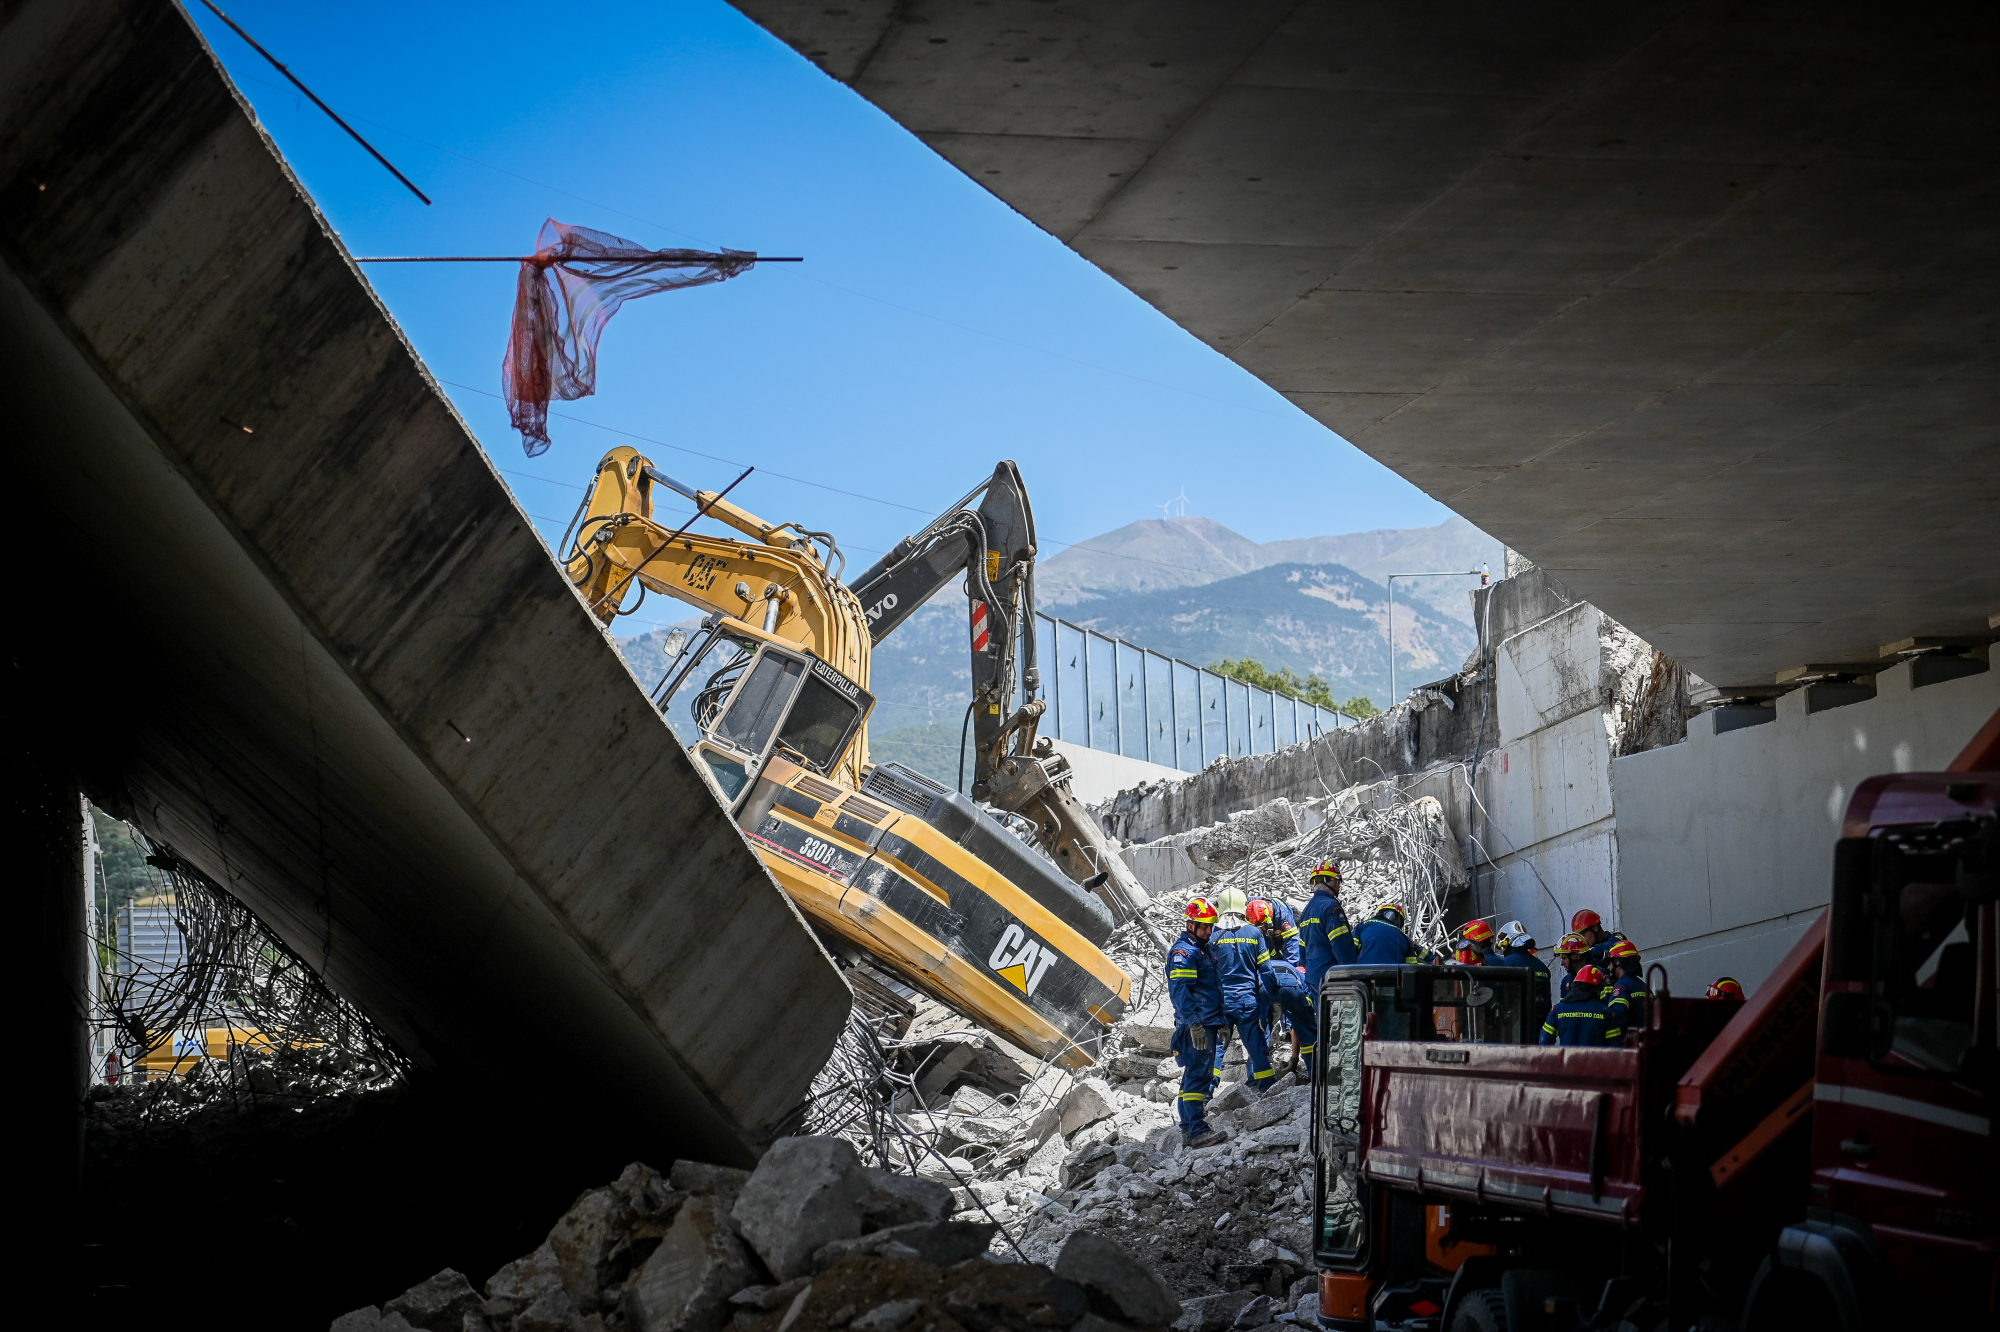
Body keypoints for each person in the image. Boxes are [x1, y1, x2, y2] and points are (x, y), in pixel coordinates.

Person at [1167, 898, 1228, 1147]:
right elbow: (1180, 991)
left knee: (1194, 1075)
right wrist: (1194, 1024)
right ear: (1190, 925)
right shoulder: (1185, 952)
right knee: (1199, 1077)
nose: (1209, 931)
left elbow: (1212, 987)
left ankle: (1187, 1128)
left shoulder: (1203, 949)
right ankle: (1197, 1130)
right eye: (1203, 926)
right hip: (1198, 1024)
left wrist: (1221, 1020)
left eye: (1211, 926)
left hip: (1208, 1020)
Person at [1209, 888, 1278, 1094]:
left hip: (1221, 1002)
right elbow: (1266, 970)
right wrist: (1273, 996)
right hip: (1247, 1001)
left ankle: (1206, 1092)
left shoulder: (1212, 936)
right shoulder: (1255, 933)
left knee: (1218, 1048)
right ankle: (1267, 1088)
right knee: (1256, 1045)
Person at [1251, 901, 1317, 1077]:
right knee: (1306, 1027)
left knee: (1258, 1029)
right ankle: (1314, 1074)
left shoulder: (1282, 915)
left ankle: (1257, 1079)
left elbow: (1292, 945)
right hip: (1287, 978)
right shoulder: (1304, 976)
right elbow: (1300, 1023)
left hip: (1263, 978)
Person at [1299, 859, 1358, 986]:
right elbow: (1342, 947)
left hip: (1313, 979)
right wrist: (1353, 975)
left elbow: (1302, 951)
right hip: (1332, 980)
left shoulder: (1306, 911)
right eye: (1338, 882)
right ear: (1335, 882)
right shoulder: (1331, 908)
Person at [1539, 965, 1625, 1046]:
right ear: (1598, 989)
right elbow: (1615, 1046)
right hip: (1596, 1061)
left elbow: (1544, 1041)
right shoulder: (1606, 1012)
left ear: (1575, 985)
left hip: (1567, 1061)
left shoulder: (1557, 1009)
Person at [1246, 897, 1303, 969]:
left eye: (1262, 927)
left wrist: (1289, 968)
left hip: (1282, 933)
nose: (1261, 929)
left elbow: (1292, 941)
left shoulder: (1283, 914)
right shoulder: (1248, 909)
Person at [1354, 904, 1421, 964]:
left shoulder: (1363, 926)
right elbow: (1411, 966)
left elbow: (1349, 948)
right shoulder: (1403, 937)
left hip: (1364, 973)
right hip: (1393, 976)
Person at [1605, 940, 1649, 1026]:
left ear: (1617, 962)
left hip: (1630, 1038)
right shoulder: (1644, 987)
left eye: (1610, 963)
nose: (1608, 967)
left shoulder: (1621, 987)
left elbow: (1617, 1017)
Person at [1553, 931, 1589, 1000]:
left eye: (1564, 958)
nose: (1562, 963)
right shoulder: (1566, 981)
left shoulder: (1598, 976)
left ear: (1577, 956)